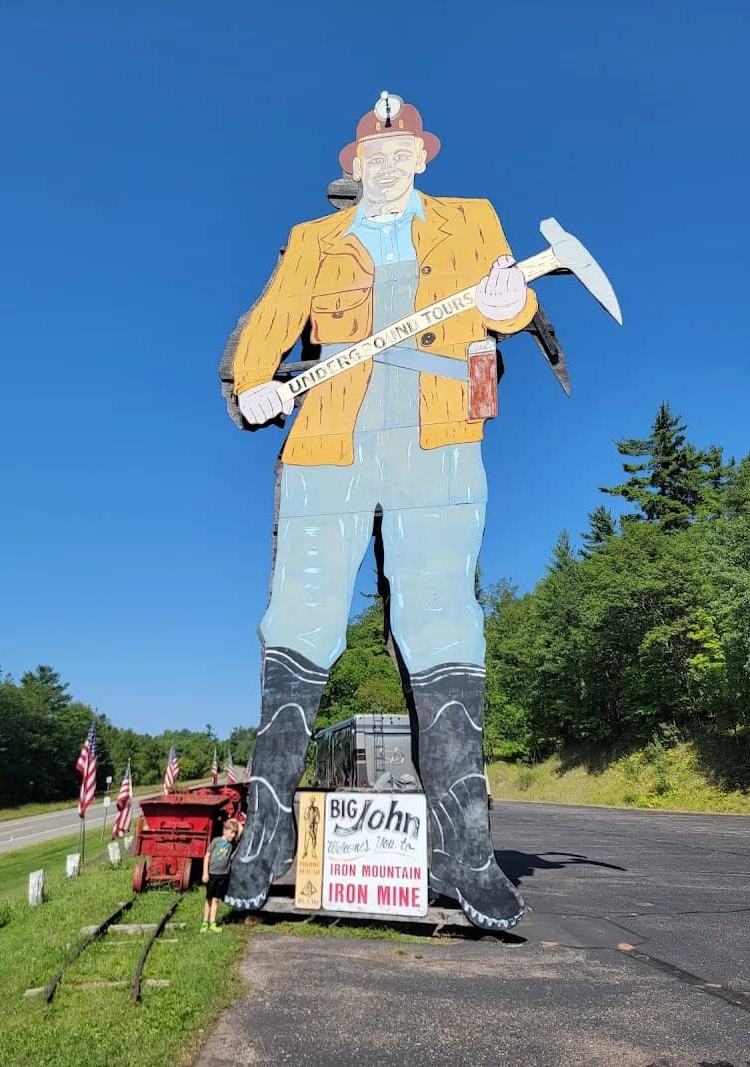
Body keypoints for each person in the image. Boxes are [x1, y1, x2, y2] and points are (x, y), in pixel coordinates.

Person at [222, 92, 536, 930]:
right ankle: (264, 838)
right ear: (354, 168)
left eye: (402, 153)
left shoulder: (472, 221)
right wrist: (250, 383)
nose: (387, 165)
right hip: (331, 433)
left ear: (423, 158)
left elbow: (510, 308)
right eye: (373, 157)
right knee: (300, 615)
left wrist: (512, 305)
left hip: (439, 434)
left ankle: (467, 854)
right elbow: (271, 321)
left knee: (443, 624)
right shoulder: (312, 241)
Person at [201, 818, 242, 933]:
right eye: (231, 832)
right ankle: (205, 922)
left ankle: (213, 923)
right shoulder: (216, 841)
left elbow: (241, 831)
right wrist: (205, 872)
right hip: (212, 874)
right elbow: (207, 856)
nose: (233, 835)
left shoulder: (231, 844)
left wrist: (235, 822)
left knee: (216, 900)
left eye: (234, 833)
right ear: (225, 830)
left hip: (223, 875)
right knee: (208, 899)